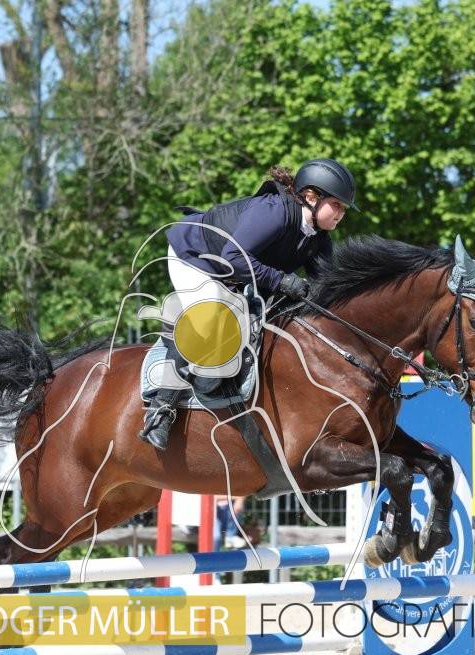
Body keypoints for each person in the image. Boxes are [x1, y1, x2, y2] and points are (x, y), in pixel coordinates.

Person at [139, 158, 358, 450]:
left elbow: (326, 289)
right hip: (195, 256)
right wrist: (282, 281)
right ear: (310, 197)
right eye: (337, 205)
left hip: (234, 270)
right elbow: (233, 257)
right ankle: (161, 408)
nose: (341, 214)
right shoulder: (275, 212)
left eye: (344, 209)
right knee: (213, 315)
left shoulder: (318, 238)